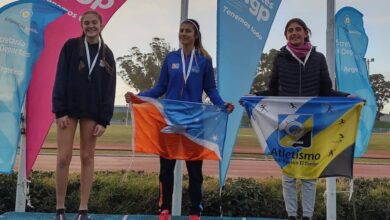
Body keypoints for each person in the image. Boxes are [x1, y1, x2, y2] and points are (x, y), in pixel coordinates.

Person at [125, 19, 234, 220]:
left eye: (188, 31)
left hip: (194, 122)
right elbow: (160, 88)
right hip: (170, 120)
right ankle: (164, 209)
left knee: (195, 170)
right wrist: (139, 97)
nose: (183, 34)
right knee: (166, 168)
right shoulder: (171, 58)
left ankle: (195, 211)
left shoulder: (204, 60)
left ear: (196, 35)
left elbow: (210, 88)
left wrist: (221, 104)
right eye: (181, 31)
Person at [253, 18, 349, 220]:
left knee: (309, 171)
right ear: (286, 35)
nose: (294, 33)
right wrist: (254, 95)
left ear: (306, 33)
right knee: (288, 172)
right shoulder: (280, 58)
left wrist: (348, 98)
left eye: (298, 29)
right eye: (290, 30)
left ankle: (307, 216)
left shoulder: (318, 58)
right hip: (286, 120)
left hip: (311, 121)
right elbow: (273, 91)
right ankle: (291, 215)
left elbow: (326, 91)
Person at [52, 10, 116, 220]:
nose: (90, 26)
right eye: (87, 23)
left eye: (94, 23)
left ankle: (83, 209)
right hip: (68, 110)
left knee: (87, 157)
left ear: (101, 24)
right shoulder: (70, 47)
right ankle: (60, 208)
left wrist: (104, 119)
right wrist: (59, 110)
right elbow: (60, 77)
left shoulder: (107, 54)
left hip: (92, 111)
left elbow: (109, 89)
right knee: (64, 157)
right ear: (82, 25)